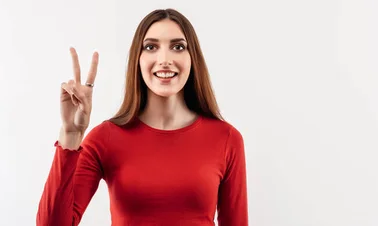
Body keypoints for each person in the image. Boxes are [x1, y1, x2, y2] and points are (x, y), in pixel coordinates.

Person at [36, 8, 248, 226]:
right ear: (137, 59)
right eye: (151, 47)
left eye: (178, 47)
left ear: (193, 58)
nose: (164, 59)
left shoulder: (226, 139)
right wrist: (70, 135)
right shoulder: (104, 138)